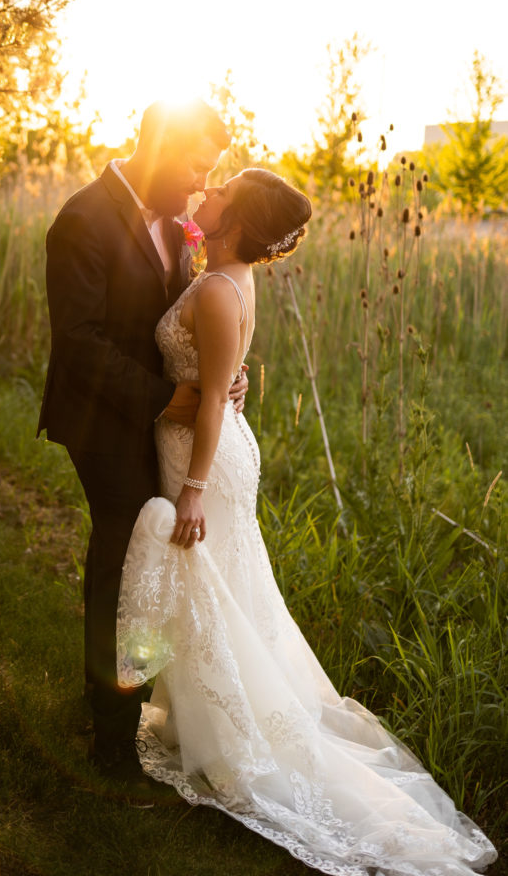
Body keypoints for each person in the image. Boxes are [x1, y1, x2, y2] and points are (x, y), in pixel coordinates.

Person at [117, 169, 497, 873]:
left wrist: (194, 489)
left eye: (224, 188)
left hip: (204, 458)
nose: (212, 188)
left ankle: (232, 746)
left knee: (214, 592)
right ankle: (212, 723)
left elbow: (207, 402)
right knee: (221, 591)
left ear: (236, 220)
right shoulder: (224, 277)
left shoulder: (217, 289)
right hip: (212, 444)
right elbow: (220, 375)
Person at [37, 99, 247, 795]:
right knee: (125, 558)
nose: (199, 183)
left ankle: (124, 698)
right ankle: (109, 735)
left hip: (155, 420)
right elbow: (80, 341)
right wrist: (171, 400)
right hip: (99, 419)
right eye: (194, 166)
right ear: (157, 146)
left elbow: (176, 312)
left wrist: (222, 374)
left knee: (153, 564)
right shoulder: (82, 220)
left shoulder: (174, 220)